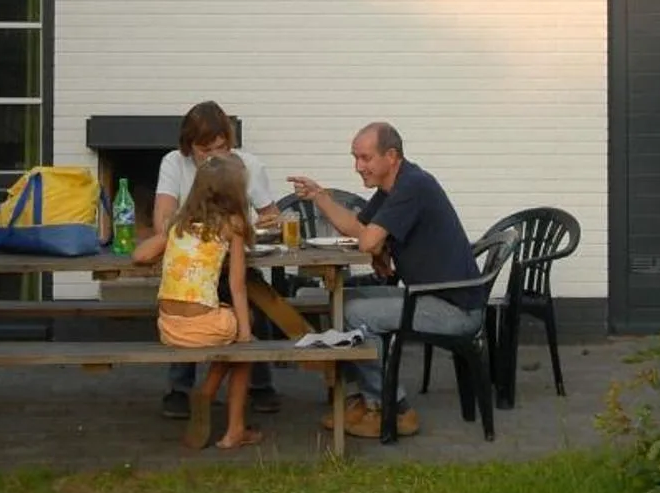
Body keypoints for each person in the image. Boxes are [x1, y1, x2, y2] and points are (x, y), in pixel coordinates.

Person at [287, 121, 482, 440]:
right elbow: (358, 227)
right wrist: (320, 197)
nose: (358, 167)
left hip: (455, 309)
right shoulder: (394, 187)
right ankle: (367, 398)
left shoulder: (412, 185)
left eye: (365, 158)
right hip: (428, 296)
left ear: (391, 156)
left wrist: (378, 246)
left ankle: (396, 408)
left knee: (355, 314)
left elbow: (366, 241)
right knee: (343, 300)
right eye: (355, 158)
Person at [150, 100, 283, 420]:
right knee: (198, 297)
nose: (212, 157)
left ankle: (260, 383)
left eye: (220, 148)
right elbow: (161, 220)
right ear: (188, 146)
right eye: (204, 150)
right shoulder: (173, 163)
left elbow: (272, 217)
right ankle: (181, 388)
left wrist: (268, 223)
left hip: (236, 258)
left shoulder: (246, 165)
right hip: (196, 264)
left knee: (253, 295)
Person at [133, 154, 261, 450]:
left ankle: (208, 392)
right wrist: (244, 335)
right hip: (203, 328)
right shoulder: (233, 225)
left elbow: (139, 255)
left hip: (168, 328)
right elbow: (237, 285)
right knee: (245, 344)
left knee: (229, 331)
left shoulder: (177, 223)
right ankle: (232, 428)